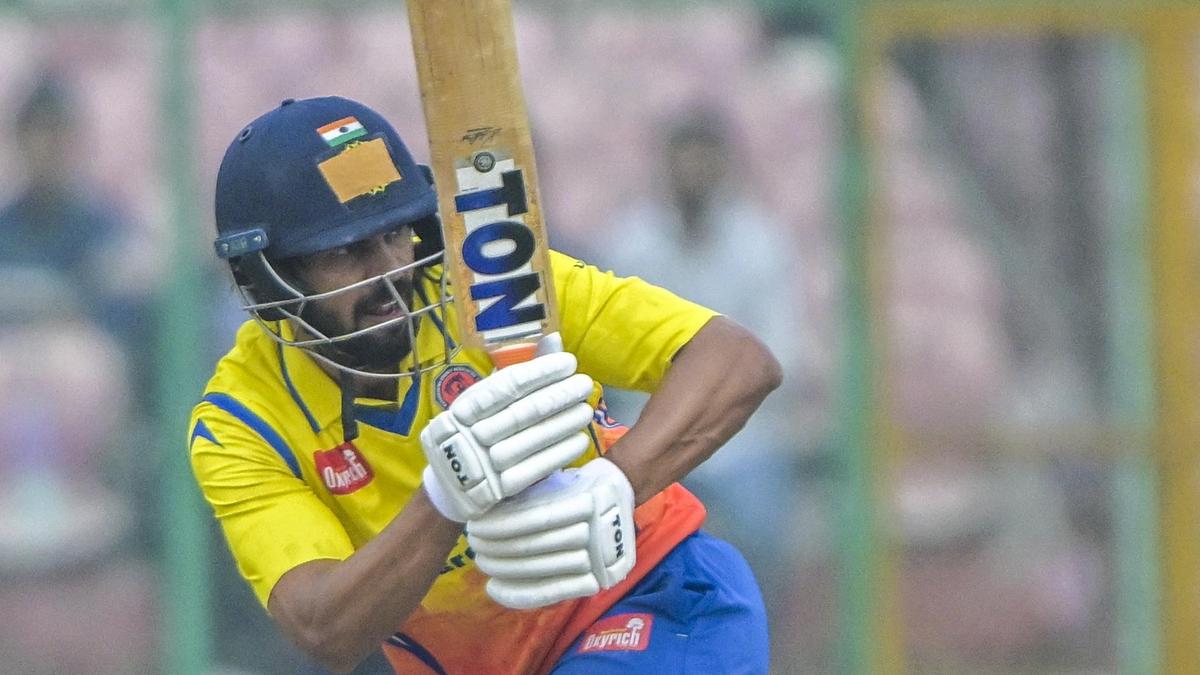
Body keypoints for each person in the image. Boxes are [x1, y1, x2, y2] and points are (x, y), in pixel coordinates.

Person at [189, 96, 781, 674]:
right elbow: (325, 629)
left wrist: (614, 483)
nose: (391, 274)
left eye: (395, 235)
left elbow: (736, 361)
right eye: (348, 253)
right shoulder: (242, 422)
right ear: (266, 279)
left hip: (652, 596)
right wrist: (446, 499)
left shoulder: (494, 282)